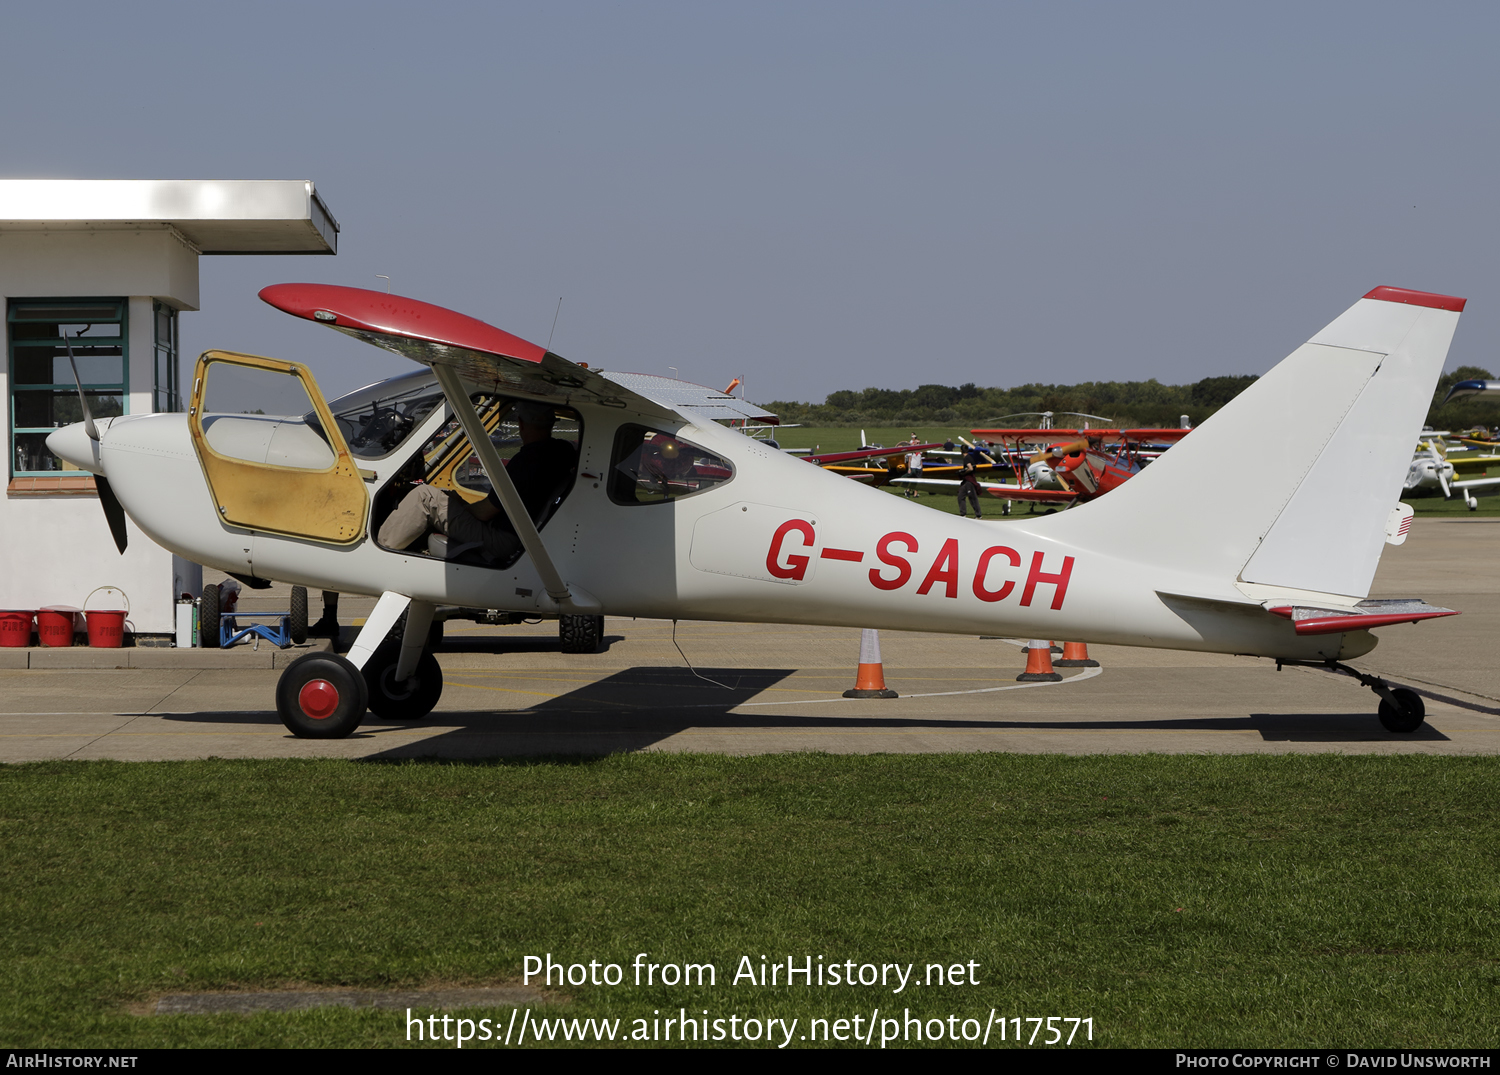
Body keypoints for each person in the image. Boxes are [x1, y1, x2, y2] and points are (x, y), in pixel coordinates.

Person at [378, 402, 575, 562]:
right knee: (448, 497)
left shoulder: (526, 461)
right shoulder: (561, 451)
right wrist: (455, 503)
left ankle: (381, 552)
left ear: (521, 423)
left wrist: (458, 509)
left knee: (425, 496)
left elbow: (485, 512)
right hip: (518, 534)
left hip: (501, 539)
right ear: (551, 424)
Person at [958, 450, 983, 519]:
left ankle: (978, 515)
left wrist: (963, 472)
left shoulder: (966, 458)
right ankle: (962, 514)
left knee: (972, 497)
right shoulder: (970, 457)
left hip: (969, 481)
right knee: (960, 495)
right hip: (966, 481)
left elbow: (970, 468)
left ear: (961, 451)